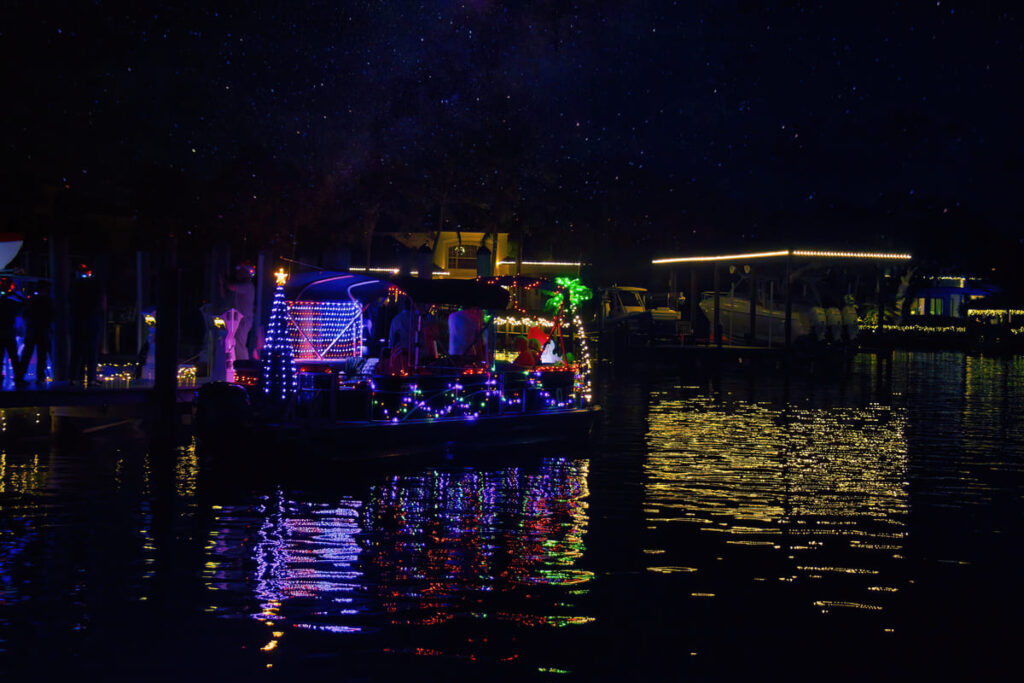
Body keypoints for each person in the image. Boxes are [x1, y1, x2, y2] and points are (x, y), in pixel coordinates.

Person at [69, 263, 103, 385]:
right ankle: (91, 378)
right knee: (91, 352)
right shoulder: (96, 286)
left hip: (77, 322)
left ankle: (74, 377)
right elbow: (100, 304)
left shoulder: (74, 285)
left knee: (76, 351)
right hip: (92, 322)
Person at [20, 281, 53, 384]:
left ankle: (20, 376)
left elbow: (24, 314)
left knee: (27, 354)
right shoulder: (48, 301)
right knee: (42, 355)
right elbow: (53, 315)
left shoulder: (31, 301)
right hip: (43, 330)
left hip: (32, 330)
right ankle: (40, 377)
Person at [223, 261, 255, 361]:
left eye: (240, 271)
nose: (237, 273)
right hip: (239, 320)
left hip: (243, 321)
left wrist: (223, 278)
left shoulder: (247, 286)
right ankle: (238, 365)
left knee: (239, 344)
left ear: (246, 273)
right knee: (236, 344)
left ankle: (243, 366)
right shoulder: (243, 286)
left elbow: (231, 287)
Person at [0, 277, 25, 387]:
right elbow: (25, 303)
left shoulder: (7, 303)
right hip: (9, 333)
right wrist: (14, 293)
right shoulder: (11, 303)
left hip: (3, 333)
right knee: (14, 357)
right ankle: (18, 378)